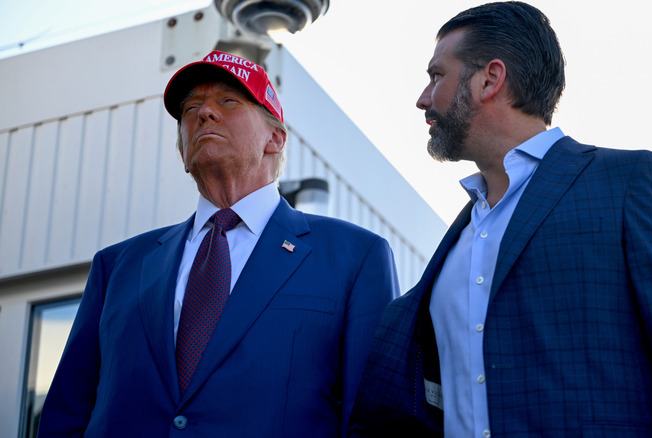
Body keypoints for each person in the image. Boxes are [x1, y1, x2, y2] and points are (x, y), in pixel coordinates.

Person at [348, 2, 652, 437]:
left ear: (490, 78)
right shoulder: (455, 247)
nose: (423, 98)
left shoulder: (628, 184)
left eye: (437, 76)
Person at [38, 50, 399, 437]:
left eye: (228, 101)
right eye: (191, 108)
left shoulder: (355, 257)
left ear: (275, 138)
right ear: (182, 150)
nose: (204, 113)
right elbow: (66, 415)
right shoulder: (117, 267)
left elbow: (375, 419)